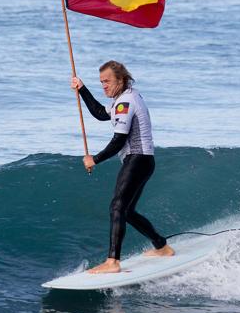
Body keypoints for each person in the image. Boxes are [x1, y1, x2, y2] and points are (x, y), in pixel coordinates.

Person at [70, 60, 175, 274]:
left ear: (121, 79)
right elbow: (100, 112)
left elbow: (119, 139)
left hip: (137, 159)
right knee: (126, 211)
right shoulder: (126, 98)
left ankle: (112, 262)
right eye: (101, 83)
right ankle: (161, 246)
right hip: (144, 160)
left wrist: (95, 159)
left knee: (117, 207)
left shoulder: (125, 102)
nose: (104, 86)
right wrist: (82, 88)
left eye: (107, 81)